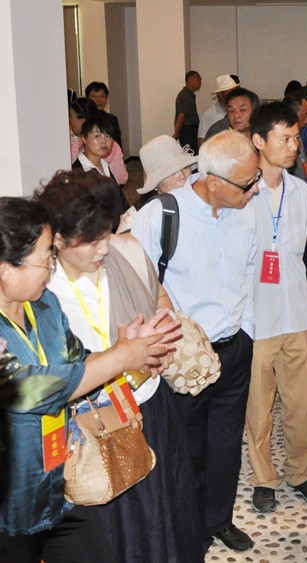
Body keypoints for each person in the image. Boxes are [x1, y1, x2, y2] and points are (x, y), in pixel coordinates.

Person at [36, 170, 203, 562]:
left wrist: (159, 334)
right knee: (110, 533)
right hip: (85, 428)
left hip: (147, 409)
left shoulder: (126, 252)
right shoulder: (42, 286)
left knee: (163, 519)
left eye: (107, 233)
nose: (104, 248)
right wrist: (124, 353)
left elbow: (160, 299)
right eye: (91, 240)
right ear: (58, 239)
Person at [0, 197, 170, 562]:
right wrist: (122, 356)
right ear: (6, 270)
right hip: (9, 508)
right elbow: (31, 389)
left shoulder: (44, 305)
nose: (51, 266)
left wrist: (128, 349)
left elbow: (77, 360)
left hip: (59, 486)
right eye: (45, 257)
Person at [131, 130, 260, 553]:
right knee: (187, 449)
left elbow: (250, 276)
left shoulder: (245, 213)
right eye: (247, 183)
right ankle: (189, 530)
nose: (254, 189)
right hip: (183, 360)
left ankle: (218, 520)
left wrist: (248, 332)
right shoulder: (162, 215)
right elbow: (138, 284)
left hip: (234, 349)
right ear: (214, 181)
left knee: (226, 444)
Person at [244, 102, 307, 514]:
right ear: (259, 140)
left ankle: (301, 472)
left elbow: (296, 253)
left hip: (297, 309)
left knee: (302, 401)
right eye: (284, 138)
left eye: (295, 138)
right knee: (258, 406)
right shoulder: (242, 191)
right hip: (257, 315)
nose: (293, 146)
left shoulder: (302, 191)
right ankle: (263, 478)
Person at [118, 134, 198, 233]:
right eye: (171, 173)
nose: (182, 176)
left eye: (185, 167)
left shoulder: (202, 205)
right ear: (155, 184)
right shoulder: (135, 221)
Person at [68, 98, 128, 187]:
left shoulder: (104, 164)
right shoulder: (78, 173)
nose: (104, 141)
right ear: (84, 138)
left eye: (108, 136)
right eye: (97, 136)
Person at [198, 74, 240, 148]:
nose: (233, 96)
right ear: (220, 94)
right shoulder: (208, 114)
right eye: (229, 93)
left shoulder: (238, 112)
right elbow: (201, 141)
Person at [84, 82, 122, 150]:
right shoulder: (83, 119)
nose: (99, 100)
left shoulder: (112, 119)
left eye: (102, 96)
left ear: (107, 99)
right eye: (94, 97)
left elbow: (118, 146)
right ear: (87, 99)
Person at [174, 70, 202, 150]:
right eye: (198, 78)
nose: (200, 81)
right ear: (190, 79)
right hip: (188, 132)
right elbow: (181, 117)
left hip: (188, 131)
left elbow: (177, 116)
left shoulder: (186, 94)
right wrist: (176, 134)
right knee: (192, 153)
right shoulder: (186, 96)